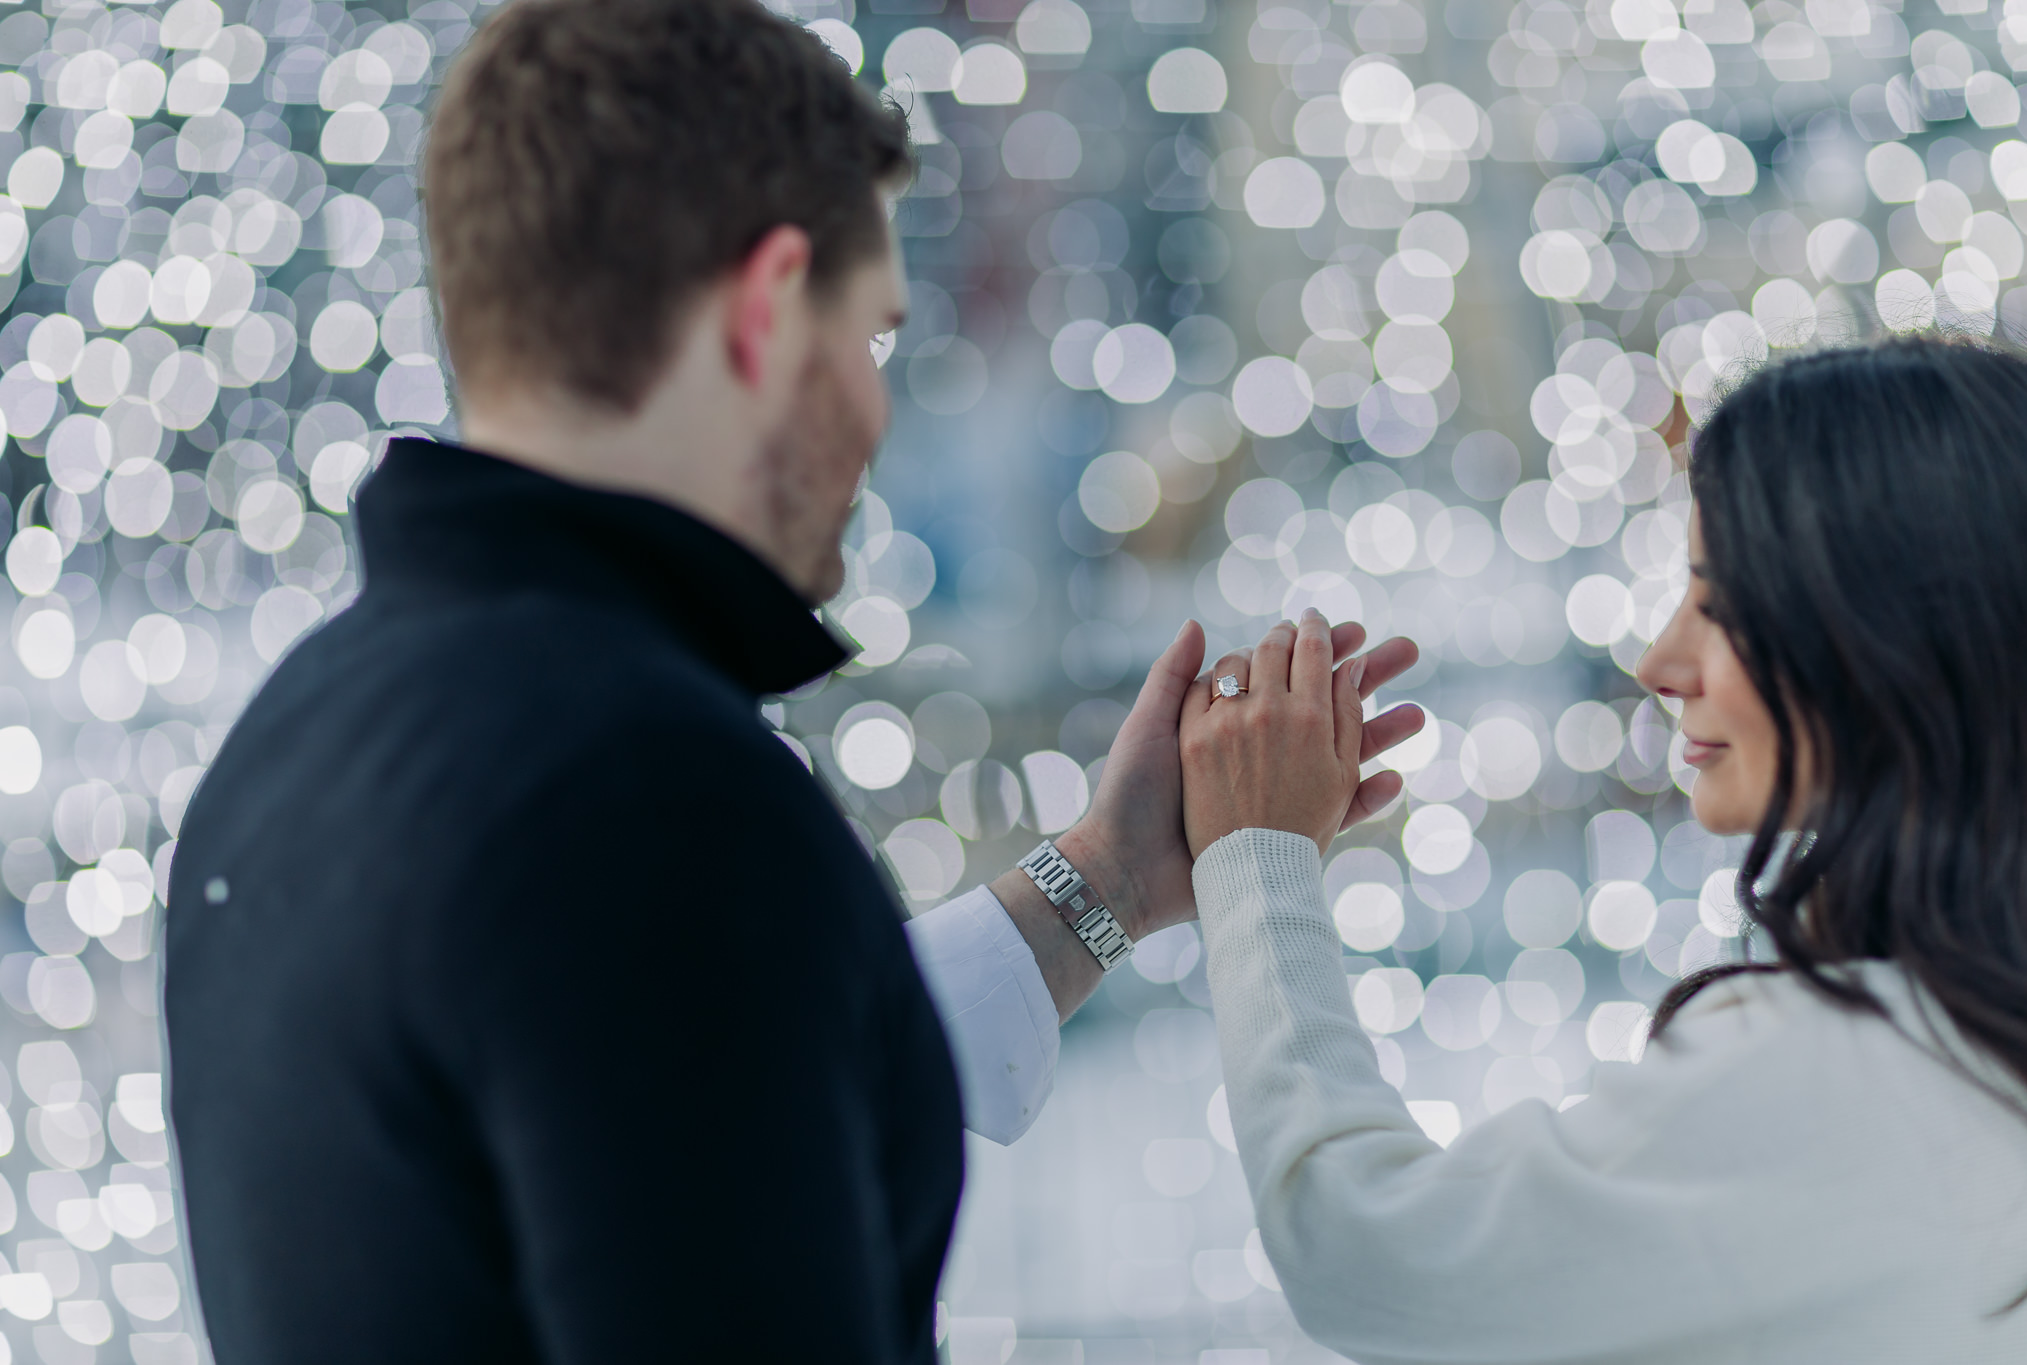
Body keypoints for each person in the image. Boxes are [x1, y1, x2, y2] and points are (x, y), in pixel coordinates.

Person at [162, 1, 1424, 1359]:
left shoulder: (291, 747)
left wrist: (1107, 879)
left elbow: (682, 1105)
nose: (879, 412)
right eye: (875, 336)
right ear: (766, 310)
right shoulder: (653, 791)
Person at [1176, 334, 2027, 1361]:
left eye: (1717, 604)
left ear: (1900, 633)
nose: (1655, 659)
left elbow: (1370, 1252)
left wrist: (1255, 860)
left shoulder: (1844, 1065)